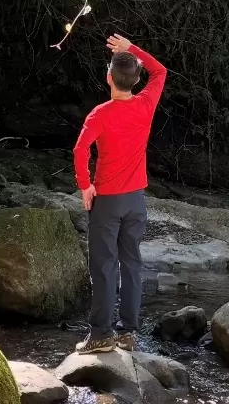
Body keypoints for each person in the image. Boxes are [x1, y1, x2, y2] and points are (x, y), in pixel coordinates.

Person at [72, 34, 167, 354]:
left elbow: (80, 149)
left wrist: (85, 185)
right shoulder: (145, 104)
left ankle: (100, 335)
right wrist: (132, 49)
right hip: (136, 201)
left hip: (108, 202)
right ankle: (128, 333)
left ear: (108, 78)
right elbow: (161, 72)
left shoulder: (99, 114)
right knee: (132, 265)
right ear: (136, 80)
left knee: (103, 267)